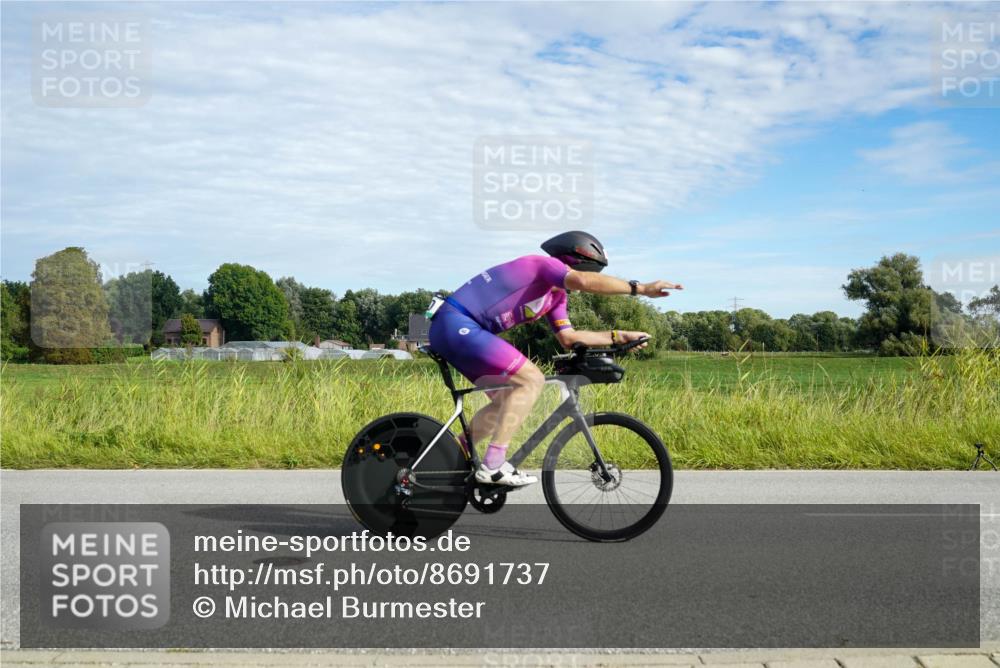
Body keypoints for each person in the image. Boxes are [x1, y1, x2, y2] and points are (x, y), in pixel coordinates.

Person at [427, 230, 683, 487]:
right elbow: (582, 281)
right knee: (531, 380)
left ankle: (454, 454)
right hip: (457, 323)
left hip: (462, 331)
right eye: (593, 272)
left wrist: (618, 336)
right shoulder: (543, 265)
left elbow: (569, 338)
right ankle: (493, 466)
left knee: (507, 398)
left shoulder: (555, 296)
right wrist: (640, 288)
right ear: (578, 261)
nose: (593, 279)